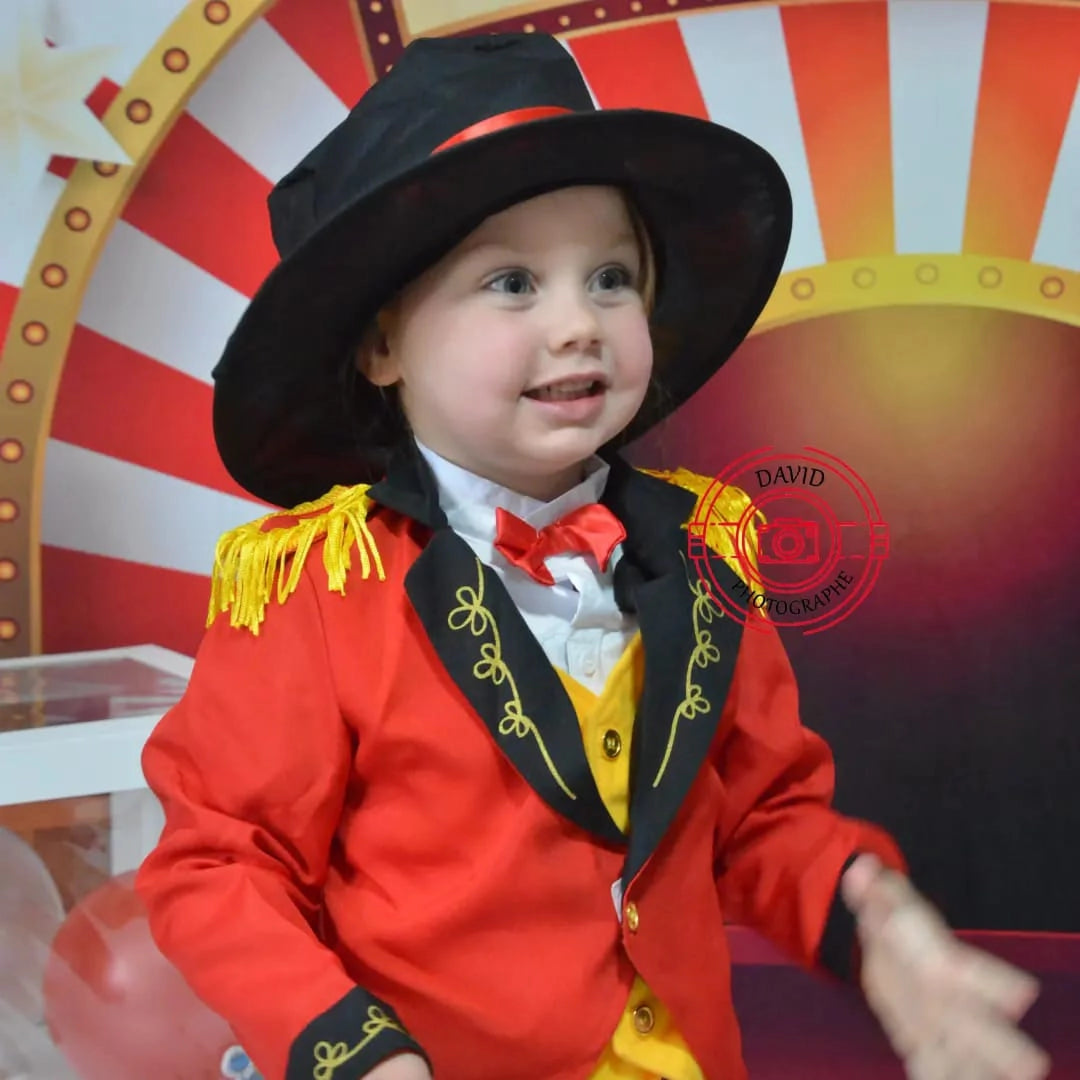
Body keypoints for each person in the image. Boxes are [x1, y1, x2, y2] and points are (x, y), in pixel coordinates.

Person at [134, 32, 1049, 1080]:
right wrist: (356, 1057)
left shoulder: (705, 553)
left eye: (611, 276)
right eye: (513, 282)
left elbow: (759, 821)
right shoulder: (317, 588)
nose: (579, 323)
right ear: (381, 346)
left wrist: (879, 923)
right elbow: (219, 864)